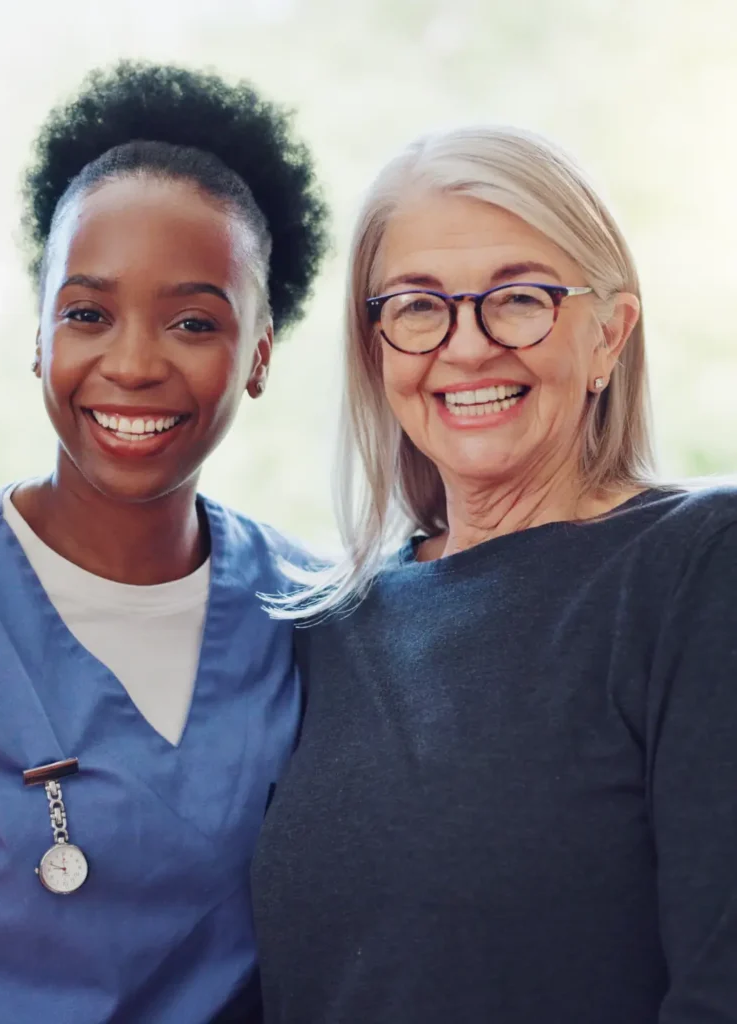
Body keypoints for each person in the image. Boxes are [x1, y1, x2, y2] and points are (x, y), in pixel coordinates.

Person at [251, 126, 737, 1023]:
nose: (467, 347)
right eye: (418, 307)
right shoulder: (327, 624)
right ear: (376, 347)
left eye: (518, 299)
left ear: (608, 336)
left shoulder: (700, 565)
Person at [0, 61, 327, 1024]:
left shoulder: (316, 612)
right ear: (39, 337)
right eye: (87, 314)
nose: (131, 363)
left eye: (192, 322)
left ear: (257, 356)